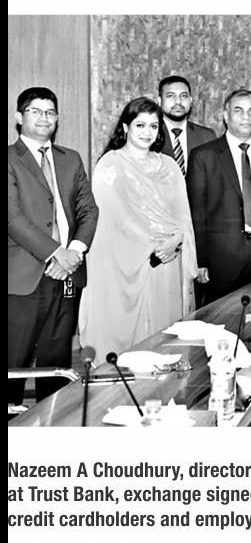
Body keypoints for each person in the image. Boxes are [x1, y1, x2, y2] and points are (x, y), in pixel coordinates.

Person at [78, 97, 198, 360]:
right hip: (126, 262)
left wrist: (176, 240)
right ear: (125, 127)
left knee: (163, 334)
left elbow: (183, 216)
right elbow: (114, 219)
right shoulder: (110, 165)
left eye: (153, 126)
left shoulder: (169, 166)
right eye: (140, 125)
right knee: (126, 339)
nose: (147, 132)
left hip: (167, 261)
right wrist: (155, 244)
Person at [8, 87, 99, 404]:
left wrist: (74, 252)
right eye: (35, 111)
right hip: (23, 279)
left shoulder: (70, 159)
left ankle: (55, 427)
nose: (44, 117)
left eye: (50, 112)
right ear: (19, 117)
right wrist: (57, 253)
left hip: (68, 275)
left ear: (57, 118)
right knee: (14, 364)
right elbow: (13, 219)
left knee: (57, 366)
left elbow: (89, 210)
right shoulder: (9, 158)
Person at [186, 89, 251, 305]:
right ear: (226, 116)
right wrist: (201, 261)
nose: (246, 117)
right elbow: (197, 213)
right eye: (238, 111)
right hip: (223, 259)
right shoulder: (204, 156)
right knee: (222, 317)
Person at [157, 75, 217, 175]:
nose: (178, 101)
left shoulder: (207, 136)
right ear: (159, 101)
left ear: (190, 100)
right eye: (170, 96)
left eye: (184, 96)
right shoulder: (150, 135)